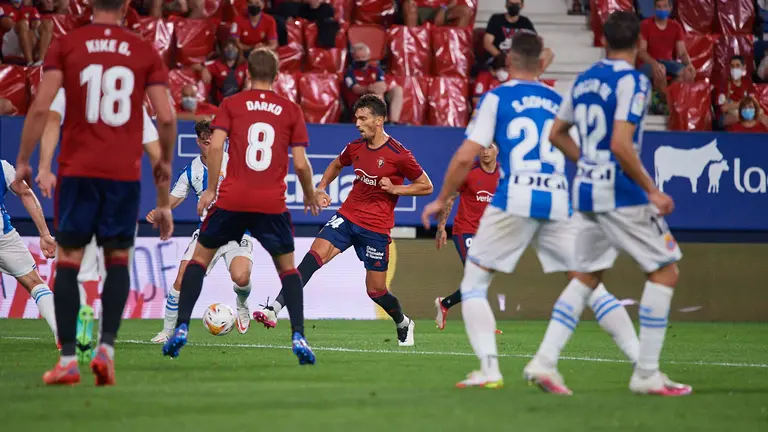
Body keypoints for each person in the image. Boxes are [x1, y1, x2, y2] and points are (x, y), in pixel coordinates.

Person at [421, 31, 637, 390]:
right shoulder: (558, 98)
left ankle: (490, 369)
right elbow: (578, 152)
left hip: (515, 198)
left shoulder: (497, 97)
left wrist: (440, 197)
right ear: (542, 63)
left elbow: (464, 156)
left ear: (508, 62)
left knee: (474, 284)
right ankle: (643, 365)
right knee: (589, 285)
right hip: (557, 199)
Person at [16, 0, 176, 386]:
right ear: (124, 6)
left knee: (68, 261)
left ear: (89, 5)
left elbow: (43, 109)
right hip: (121, 178)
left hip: (78, 174)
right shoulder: (143, 50)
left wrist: (27, 160)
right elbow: (167, 117)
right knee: (118, 261)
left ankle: (69, 360)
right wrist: (165, 173)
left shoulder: (68, 44)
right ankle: (106, 350)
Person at [541, 11, 691, 396]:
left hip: (586, 190)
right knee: (665, 272)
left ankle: (544, 361)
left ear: (604, 40)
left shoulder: (584, 79)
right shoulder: (633, 82)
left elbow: (556, 133)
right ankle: (646, 374)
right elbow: (622, 144)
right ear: (640, 42)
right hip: (620, 191)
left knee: (588, 277)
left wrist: (587, 163)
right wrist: (652, 190)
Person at [162, 48, 320, 365]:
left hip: (231, 199)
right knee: (288, 270)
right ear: (276, 77)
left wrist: (209, 191)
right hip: (271, 203)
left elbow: (216, 145)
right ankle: (298, 334)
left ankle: (181, 327)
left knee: (199, 261)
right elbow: (301, 165)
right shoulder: (290, 110)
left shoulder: (231, 105)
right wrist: (309, 193)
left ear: (247, 74)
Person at [254, 94, 433, 346]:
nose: (358, 124)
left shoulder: (399, 154)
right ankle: (275, 307)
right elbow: (337, 164)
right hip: (347, 216)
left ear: (379, 120)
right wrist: (321, 187)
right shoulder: (355, 148)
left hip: (376, 228)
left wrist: (396, 190)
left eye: (363, 118)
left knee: (376, 291)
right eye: (356, 118)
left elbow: (426, 185)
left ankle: (403, 321)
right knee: (313, 258)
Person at [38, 86, 165, 363]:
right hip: (120, 191)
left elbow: (48, 119)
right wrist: (164, 202)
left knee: (77, 271)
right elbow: (157, 152)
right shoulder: (130, 98)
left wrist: (43, 167)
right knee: (115, 270)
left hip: (79, 188)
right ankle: (105, 344)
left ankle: (81, 319)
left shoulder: (73, 86)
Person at [150, 120, 256, 343]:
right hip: (208, 233)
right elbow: (175, 198)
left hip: (238, 232)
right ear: (198, 142)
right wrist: (161, 209)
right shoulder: (193, 170)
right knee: (182, 279)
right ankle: (167, 330)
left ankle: (242, 303)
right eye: (205, 142)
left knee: (241, 277)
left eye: (213, 141)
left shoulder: (237, 163)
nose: (210, 146)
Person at [433, 143, 501, 332]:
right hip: (465, 231)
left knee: (482, 278)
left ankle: (445, 303)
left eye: (490, 147)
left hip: (488, 234)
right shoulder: (470, 172)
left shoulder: (504, 175)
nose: (485, 152)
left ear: (498, 150)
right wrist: (441, 227)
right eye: (482, 148)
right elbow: (450, 197)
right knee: (478, 275)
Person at [0, 159, 58, 345]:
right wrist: (44, 234)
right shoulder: (2, 166)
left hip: (5, 239)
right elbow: (25, 192)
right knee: (35, 282)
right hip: (4, 237)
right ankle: (63, 336)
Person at [637, 0, 696, 97]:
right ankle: (666, 103)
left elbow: (682, 52)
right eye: (659, 7)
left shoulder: (676, 26)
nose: (662, 9)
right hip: (649, 63)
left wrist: (689, 65)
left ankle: (665, 99)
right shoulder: (645, 25)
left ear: (670, 8)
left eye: (664, 6)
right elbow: (641, 52)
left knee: (688, 74)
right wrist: (654, 64)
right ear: (654, 8)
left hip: (668, 63)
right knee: (661, 69)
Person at [482, 0, 554, 71]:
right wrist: (501, 57)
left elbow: (535, 42)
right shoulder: (496, 19)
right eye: (511, 3)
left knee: (548, 53)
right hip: (498, 58)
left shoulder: (525, 22)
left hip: (519, 61)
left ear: (522, 6)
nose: (514, 6)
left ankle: (533, 77)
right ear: (506, 5)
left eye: (517, 4)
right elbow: (487, 43)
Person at [343, 42, 403, 124]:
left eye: (363, 57)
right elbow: (356, 89)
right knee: (376, 94)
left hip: (376, 96)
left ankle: (394, 121)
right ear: (353, 57)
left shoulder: (376, 70)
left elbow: (382, 84)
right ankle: (383, 121)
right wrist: (369, 89)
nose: (361, 60)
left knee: (397, 90)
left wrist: (377, 88)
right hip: (359, 101)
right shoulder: (349, 73)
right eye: (358, 58)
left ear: (368, 57)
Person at [193, 39, 248, 105]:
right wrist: (203, 69)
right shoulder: (216, 64)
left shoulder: (244, 65)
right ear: (223, 50)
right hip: (220, 102)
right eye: (227, 47)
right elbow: (194, 65)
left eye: (234, 47)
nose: (230, 50)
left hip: (238, 101)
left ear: (238, 50)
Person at [717, 56, 756, 128]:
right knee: (741, 117)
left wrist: (732, 104)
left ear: (743, 67)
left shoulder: (747, 81)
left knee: (760, 115)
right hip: (727, 117)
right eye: (732, 66)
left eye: (738, 65)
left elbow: (753, 101)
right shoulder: (725, 83)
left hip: (746, 113)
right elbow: (723, 108)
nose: (735, 68)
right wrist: (743, 103)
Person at [0, 0, 41, 65]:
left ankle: (40, 60)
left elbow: (37, 26)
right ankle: (30, 62)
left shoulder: (31, 8)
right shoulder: (2, 7)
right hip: (8, 43)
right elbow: (7, 25)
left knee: (47, 25)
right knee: (23, 24)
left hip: (27, 42)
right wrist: (22, 28)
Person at [403, 0, 472, 28]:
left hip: (443, 8)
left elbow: (454, 1)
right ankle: (413, 46)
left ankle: (456, 47)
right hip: (420, 8)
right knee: (409, 6)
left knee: (465, 11)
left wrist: (443, 9)